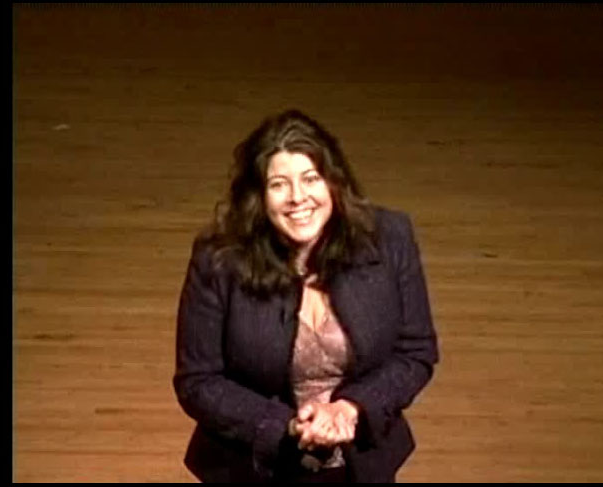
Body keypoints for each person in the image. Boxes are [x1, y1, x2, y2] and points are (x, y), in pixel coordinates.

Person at [173, 109, 438, 483]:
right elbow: (198, 381)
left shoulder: (389, 238)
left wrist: (350, 410)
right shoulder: (218, 259)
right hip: (251, 466)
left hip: (363, 463)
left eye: (310, 178)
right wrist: (287, 426)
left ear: (333, 182)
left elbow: (415, 352)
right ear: (258, 197)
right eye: (279, 184)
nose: (299, 198)